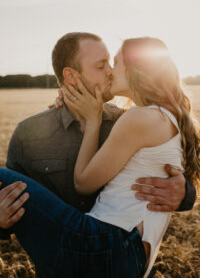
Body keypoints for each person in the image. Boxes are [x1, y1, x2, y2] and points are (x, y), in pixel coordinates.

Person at [0, 33, 197, 277]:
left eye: (113, 63)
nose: (111, 71)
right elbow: (15, 205)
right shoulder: (28, 135)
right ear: (71, 76)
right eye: (101, 65)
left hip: (108, 249)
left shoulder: (125, 120)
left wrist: (184, 192)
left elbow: (169, 170)